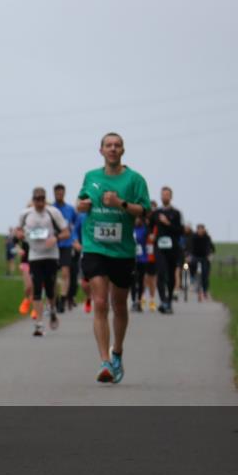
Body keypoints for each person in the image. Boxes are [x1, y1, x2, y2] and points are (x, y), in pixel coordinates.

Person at [76, 132, 151, 384]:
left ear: (123, 151)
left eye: (117, 145)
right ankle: (104, 362)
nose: (113, 148)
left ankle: (117, 352)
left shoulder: (135, 179)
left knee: (119, 304)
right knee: (99, 301)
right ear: (101, 150)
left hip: (123, 250)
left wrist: (120, 203)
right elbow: (82, 200)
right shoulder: (91, 176)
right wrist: (82, 205)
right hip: (95, 246)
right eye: (108, 145)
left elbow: (144, 210)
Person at [20, 187, 71, 336]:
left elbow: (66, 232)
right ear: (33, 200)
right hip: (34, 256)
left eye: (42, 199)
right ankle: (39, 324)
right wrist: (20, 234)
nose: (40, 202)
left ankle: (53, 310)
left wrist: (55, 238)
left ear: (45, 199)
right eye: (37, 199)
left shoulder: (53, 213)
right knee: (36, 289)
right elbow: (18, 231)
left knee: (50, 289)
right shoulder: (25, 214)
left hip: (51, 255)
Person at [149, 186, 183, 314]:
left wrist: (168, 223)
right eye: (163, 195)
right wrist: (151, 234)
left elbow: (180, 230)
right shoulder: (156, 213)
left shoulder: (176, 213)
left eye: (167, 195)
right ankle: (163, 300)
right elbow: (150, 226)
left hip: (172, 248)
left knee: (170, 276)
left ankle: (169, 301)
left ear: (171, 197)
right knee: (161, 273)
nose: (165, 197)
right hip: (159, 247)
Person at [52, 183, 81, 312]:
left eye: (61, 193)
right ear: (54, 194)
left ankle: (63, 300)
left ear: (64, 193)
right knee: (52, 275)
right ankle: (55, 298)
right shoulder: (50, 209)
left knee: (65, 272)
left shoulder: (70, 209)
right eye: (57, 193)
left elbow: (74, 226)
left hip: (66, 245)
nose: (59, 195)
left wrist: (75, 240)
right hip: (53, 245)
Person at [189, 224, 215, 301]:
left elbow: (211, 248)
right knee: (191, 265)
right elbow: (190, 247)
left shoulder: (207, 238)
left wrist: (210, 255)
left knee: (205, 274)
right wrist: (188, 255)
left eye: (201, 229)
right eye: (199, 229)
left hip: (204, 257)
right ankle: (192, 278)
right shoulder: (193, 237)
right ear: (197, 230)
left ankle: (205, 291)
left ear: (204, 230)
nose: (200, 231)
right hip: (195, 256)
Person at [131, 216, 150, 311]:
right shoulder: (130, 228)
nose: (137, 220)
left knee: (141, 280)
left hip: (143, 258)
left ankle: (139, 300)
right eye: (136, 219)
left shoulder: (145, 229)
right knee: (133, 280)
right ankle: (133, 300)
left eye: (139, 218)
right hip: (132, 257)